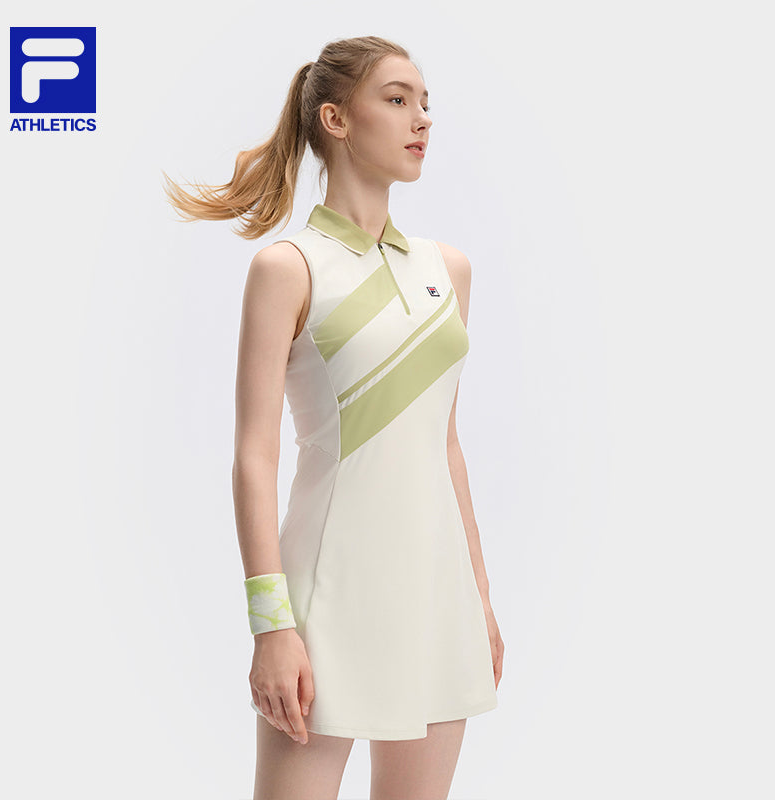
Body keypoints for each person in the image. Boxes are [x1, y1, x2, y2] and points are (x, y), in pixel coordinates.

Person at [162, 34, 504, 800]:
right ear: (336, 119)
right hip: (329, 599)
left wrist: (479, 599)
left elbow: (446, 445)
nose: (421, 117)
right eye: (397, 98)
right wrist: (271, 626)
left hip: (438, 595)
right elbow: (254, 457)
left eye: (425, 102)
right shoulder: (288, 268)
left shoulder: (449, 270)